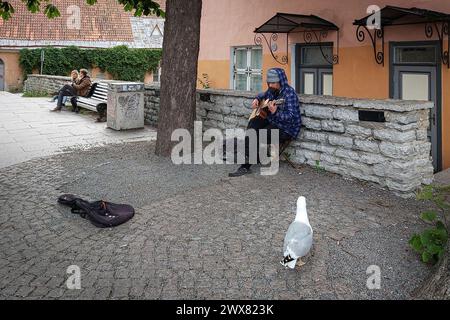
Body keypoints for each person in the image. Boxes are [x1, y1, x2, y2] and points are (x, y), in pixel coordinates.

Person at [228, 68, 301, 177]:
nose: (270, 85)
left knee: (259, 134)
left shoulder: (289, 94)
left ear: (281, 81)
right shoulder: (272, 90)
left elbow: (291, 117)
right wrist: (257, 99)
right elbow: (263, 94)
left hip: (287, 128)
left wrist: (275, 112)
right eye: (269, 83)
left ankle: (245, 166)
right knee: (253, 123)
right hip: (274, 121)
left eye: (273, 83)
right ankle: (253, 156)